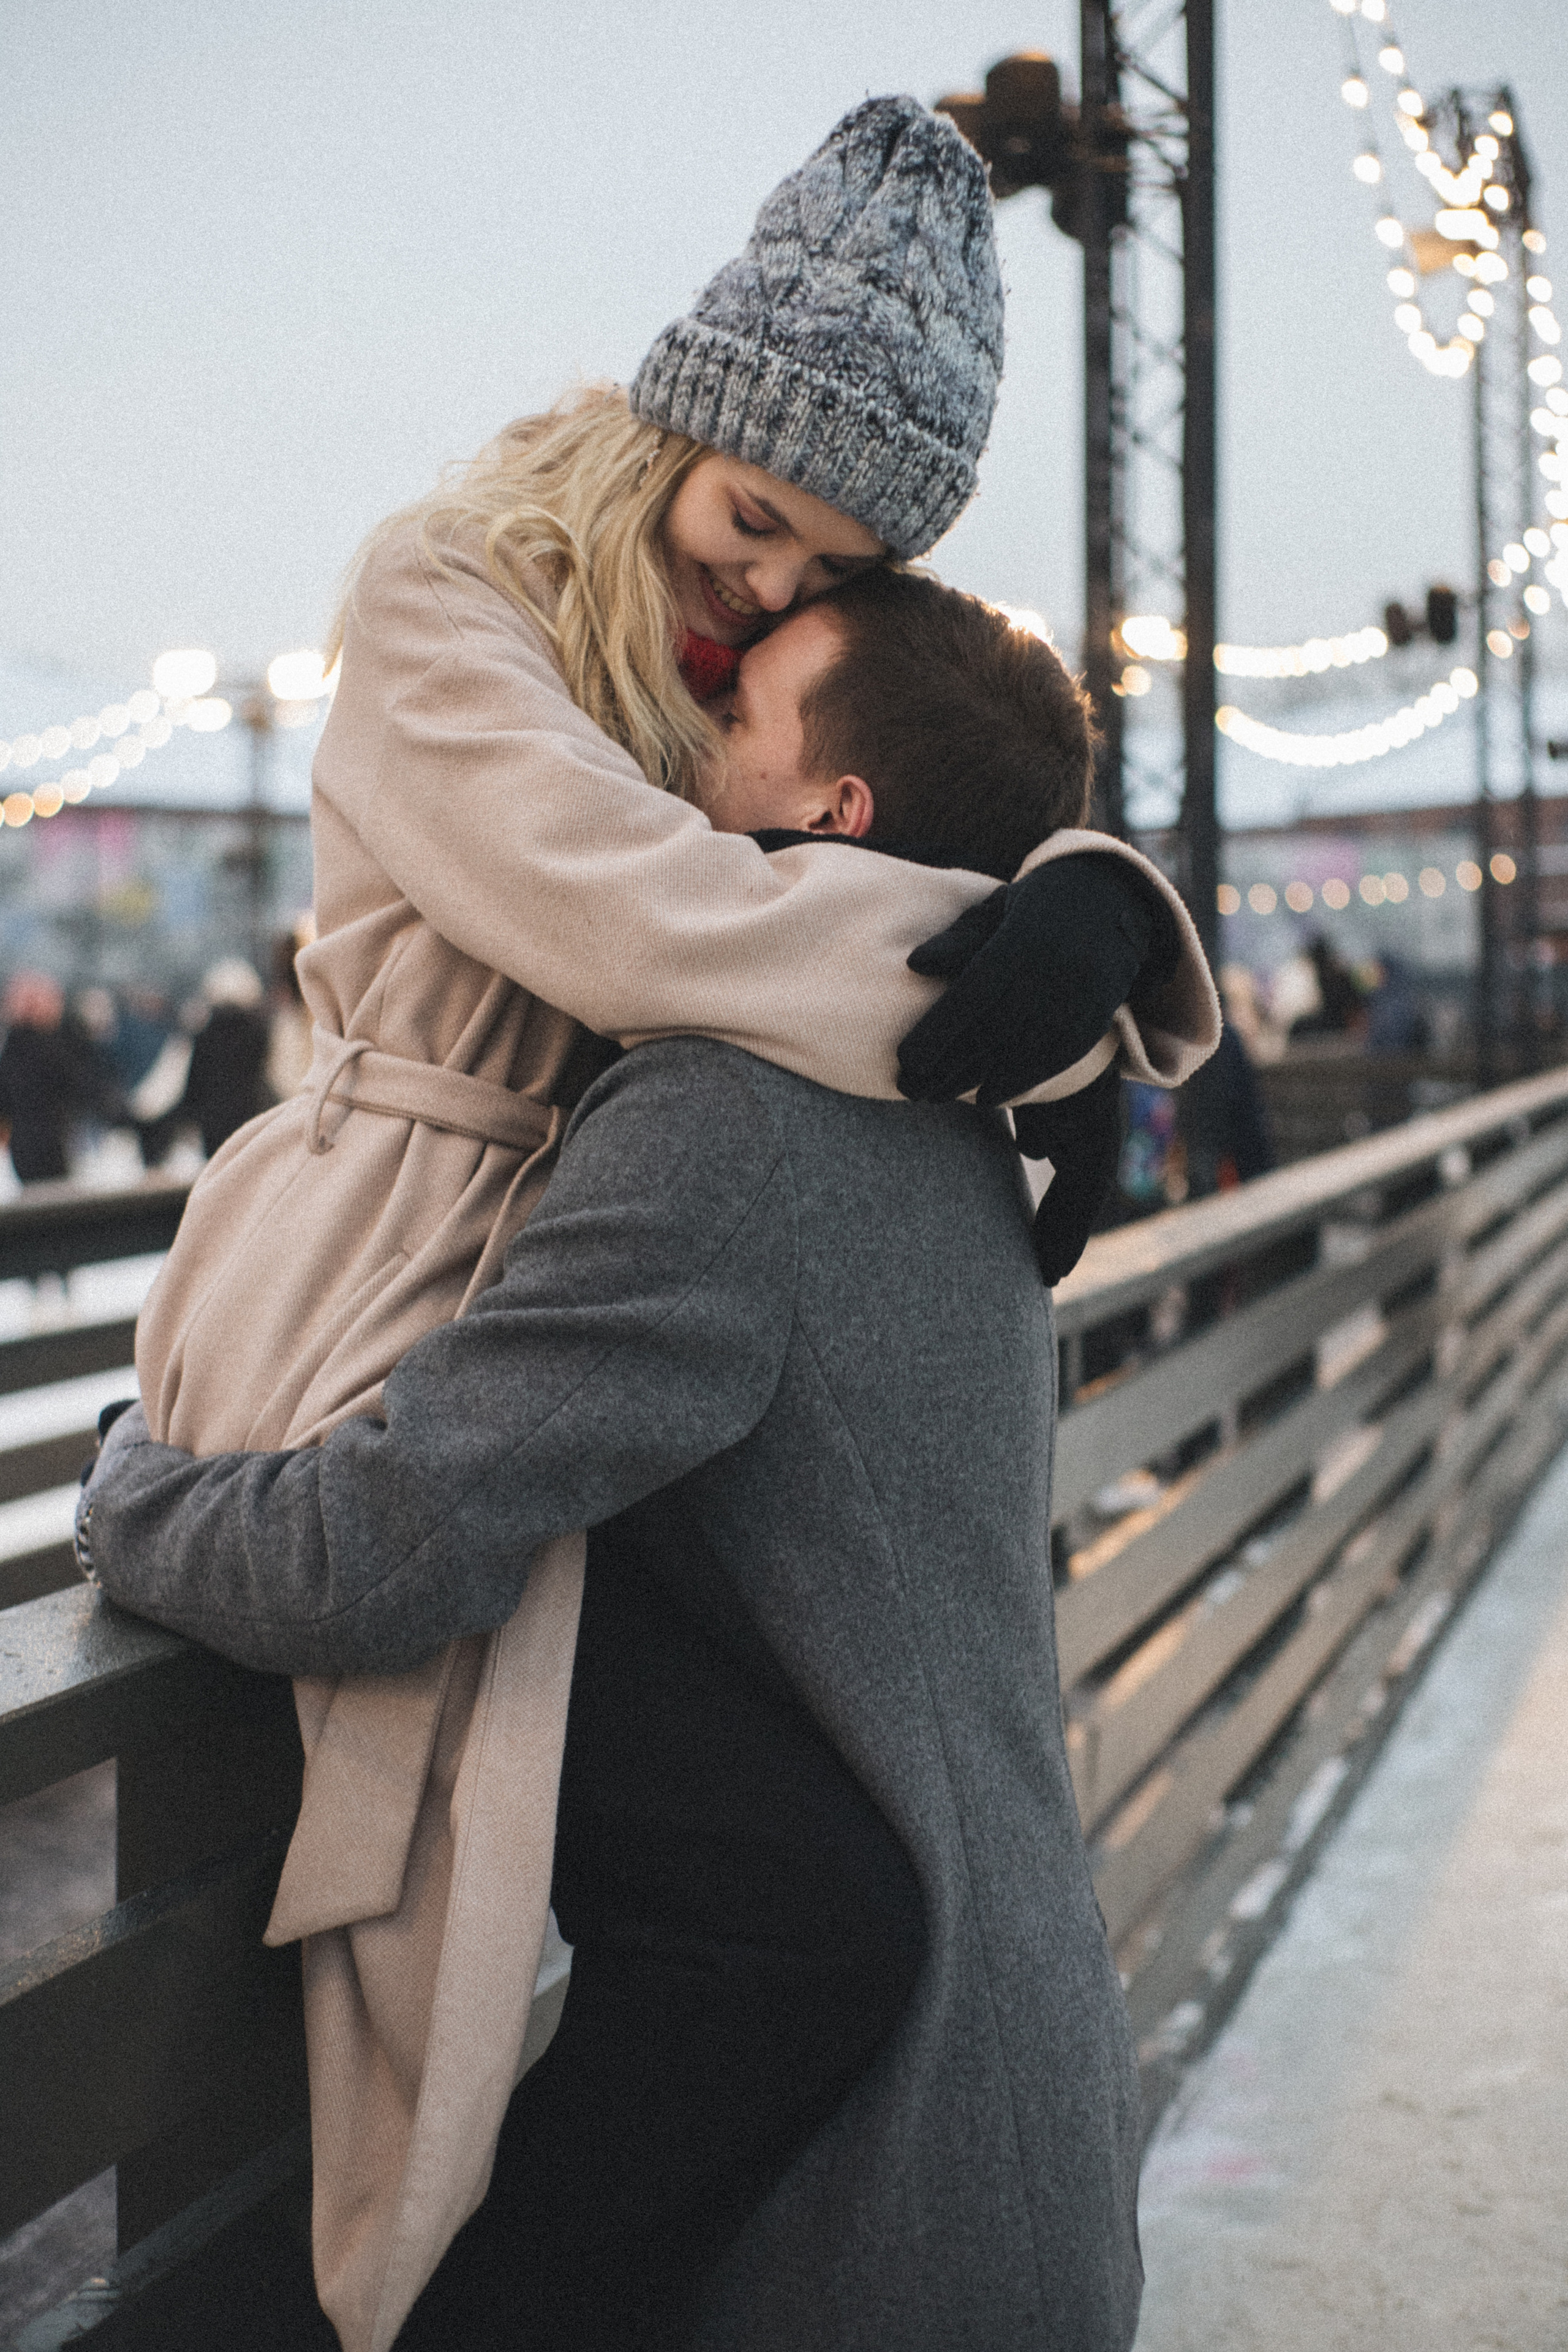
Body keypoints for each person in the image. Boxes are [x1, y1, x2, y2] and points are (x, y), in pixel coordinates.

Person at [119, 96, 1217, 2350]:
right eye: (752, 520)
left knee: (789, 1905)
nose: (767, 590)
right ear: (679, 423)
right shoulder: (448, 605)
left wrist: (1066, 895)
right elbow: (663, 925)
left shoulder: (732, 686)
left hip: (575, 1304)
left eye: (826, 570)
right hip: (373, 1282)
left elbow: (862, 803)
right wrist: (1027, 970)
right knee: (697, 1915)